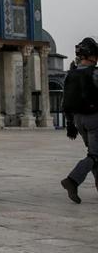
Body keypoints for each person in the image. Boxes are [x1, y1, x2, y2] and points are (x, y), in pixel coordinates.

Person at [60, 37, 98, 204]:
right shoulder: (95, 74)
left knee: (94, 154)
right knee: (94, 155)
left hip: (78, 120)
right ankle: (73, 180)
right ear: (91, 56)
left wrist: (70, 124)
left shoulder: (70, 74)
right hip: (94, 119)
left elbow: (65, 102)